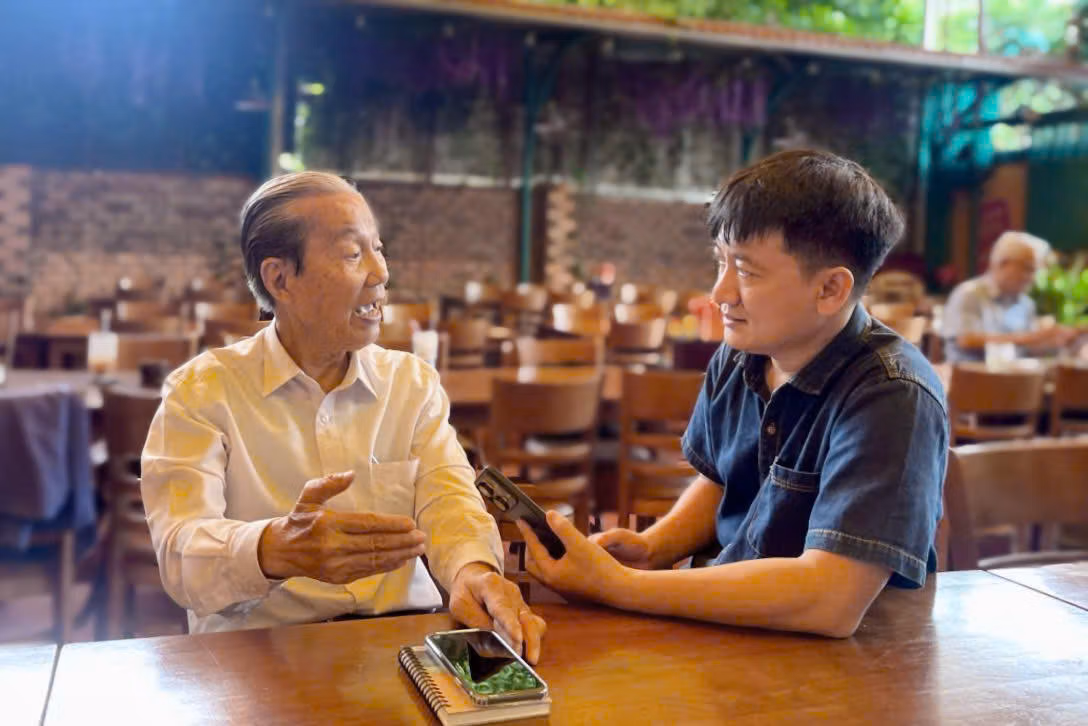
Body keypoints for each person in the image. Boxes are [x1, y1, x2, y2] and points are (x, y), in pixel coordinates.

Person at [517, 150, 948, 638]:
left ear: (830, 289)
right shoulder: (742, 355)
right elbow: (723, 482)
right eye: (720, 262)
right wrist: (654, 547)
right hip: (733, 631)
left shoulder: (892, 394)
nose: (720, 293)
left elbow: (832, 599)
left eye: (745, 271)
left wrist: (622, 585)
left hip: (849, 663)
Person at [141, 172, 545, 661]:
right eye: (353, 254)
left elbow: (449, 498)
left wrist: (473, 571)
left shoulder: (410, 383)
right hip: (260, 653)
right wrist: (274, 549)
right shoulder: (202, 392)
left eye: (379, 249)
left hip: (398, 644)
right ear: (280, 279)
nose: (381, 272)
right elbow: (180, 552)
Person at [942, 231, 1078, 363]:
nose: (1032, 278)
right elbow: (965, 340)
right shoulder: (969, 294)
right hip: (970, 375)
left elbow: (1027, 349)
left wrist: (1060, 343)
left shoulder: (1026, 303)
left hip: (1014, 374)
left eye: (1035, 271)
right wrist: (1032, 337)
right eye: (1028, 269)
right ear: (1002, 263)